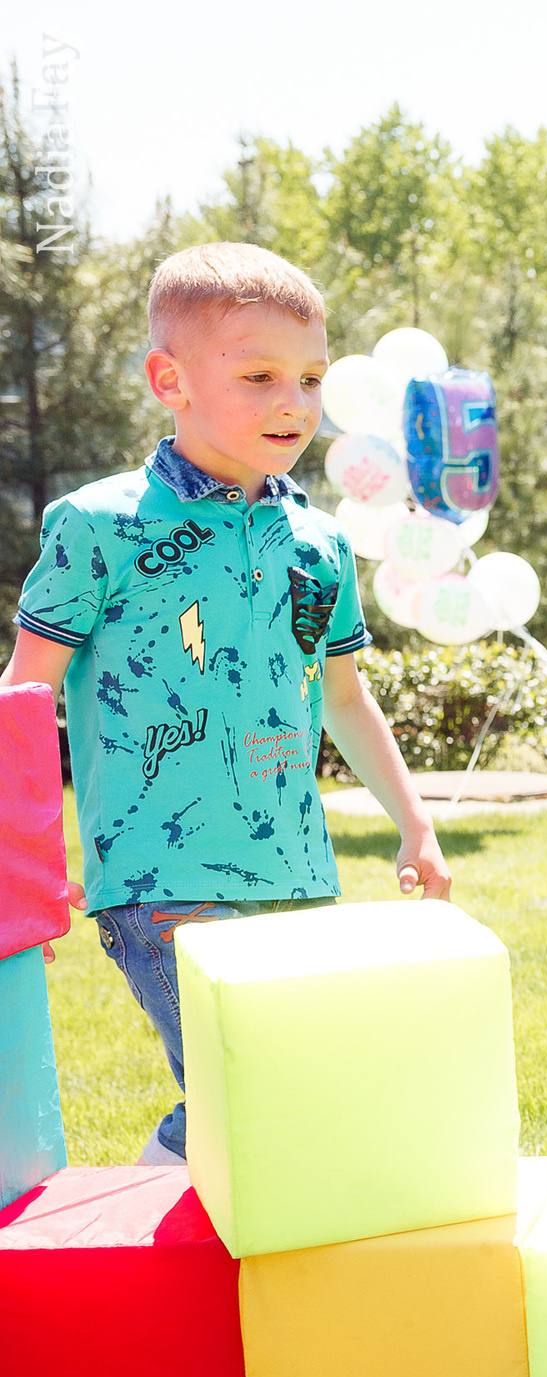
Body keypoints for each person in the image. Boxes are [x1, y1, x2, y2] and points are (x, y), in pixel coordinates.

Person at [3, 242, 447, 1165]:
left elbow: (343, 695)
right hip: (160, 877)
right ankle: (142, 1254)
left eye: (312, 378)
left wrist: (414, 823)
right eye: (259, 375)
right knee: (244, 1080)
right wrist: (25, 869)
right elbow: (23, 696)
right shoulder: (99, 525)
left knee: (290, 1086)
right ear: (170, 378)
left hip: (294, 871)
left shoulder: (318, 541)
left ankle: (183, 1247)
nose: (294, 401)